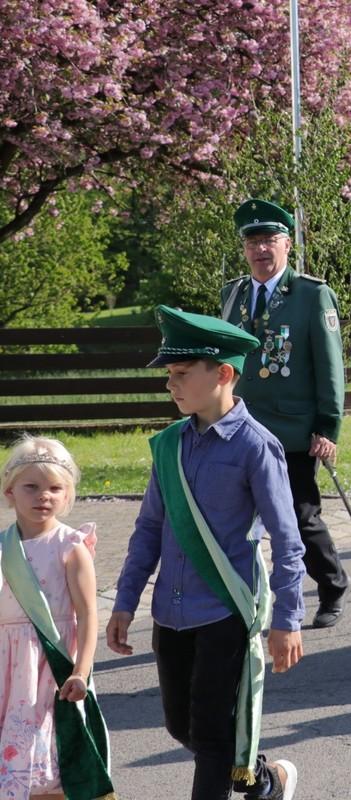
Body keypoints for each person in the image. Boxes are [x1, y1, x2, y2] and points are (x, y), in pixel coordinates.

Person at [107, 306, 305, 800]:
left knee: (212, 737)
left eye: (180, 373)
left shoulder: (256, 447)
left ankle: (245, 774)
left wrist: (288, 619)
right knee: (183, 726)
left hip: (224, 611)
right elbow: (149, 529)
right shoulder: (169, 445)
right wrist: (125, 601)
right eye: (169, 374)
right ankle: (264, 779)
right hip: (170, 614)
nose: (170, 384)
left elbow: (287, 539)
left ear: (223, 375)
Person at [220, 199, 351, 628]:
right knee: (235, 519)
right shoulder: (233, 294)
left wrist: (327, 426)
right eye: (253, 242)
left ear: (287, 245)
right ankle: (244, 602)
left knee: (297, 516)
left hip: (292, 430)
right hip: (241, 426)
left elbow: (330, 367)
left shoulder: (311, 295)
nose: (261, 249)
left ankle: (332, 586)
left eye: (269, 240)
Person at [1, 438, 115, 800]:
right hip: (9, 671)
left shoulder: (70, 546)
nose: (44, 496)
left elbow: (87, 614)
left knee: (53, 763)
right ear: (10, 491)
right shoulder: (3, 547)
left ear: (67, 495)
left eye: (55, 488)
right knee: (12, 766)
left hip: (53, 670)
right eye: (31, 487)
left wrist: (81, 671)